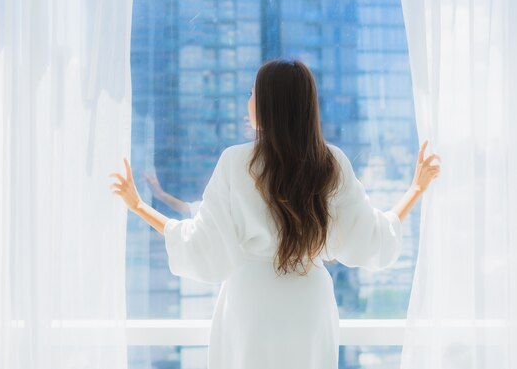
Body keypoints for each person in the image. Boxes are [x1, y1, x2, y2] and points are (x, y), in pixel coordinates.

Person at [109, 59, 441, 369]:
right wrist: (415, 190)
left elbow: (201, 246)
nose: (248, 100)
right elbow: (372, 239)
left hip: (250, 306)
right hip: (310, 308)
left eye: (253, 93)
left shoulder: (235, 162)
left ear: (270, 104)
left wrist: (139, 206)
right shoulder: (331, 163)